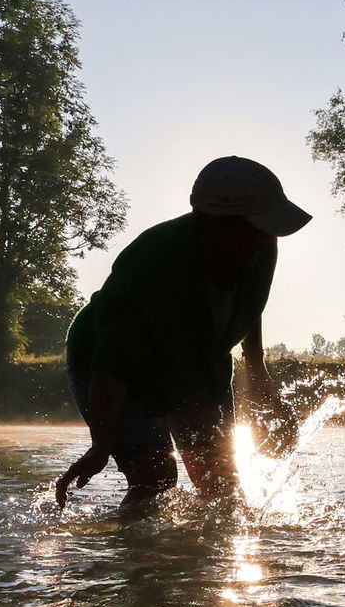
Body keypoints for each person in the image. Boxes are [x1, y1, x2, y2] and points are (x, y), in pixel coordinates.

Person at [55, 156, 309, 508]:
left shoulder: (260, 247)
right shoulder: (149, 266)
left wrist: (258, 371)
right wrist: (100, 447)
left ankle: (202, 558)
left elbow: (252, 306)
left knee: (222, 485)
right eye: (259, 227)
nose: (268, 239)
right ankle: (133, 559)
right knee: (155, 478)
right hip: (108, 366)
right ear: (214, 225)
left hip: (198, 366)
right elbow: (111, 366)